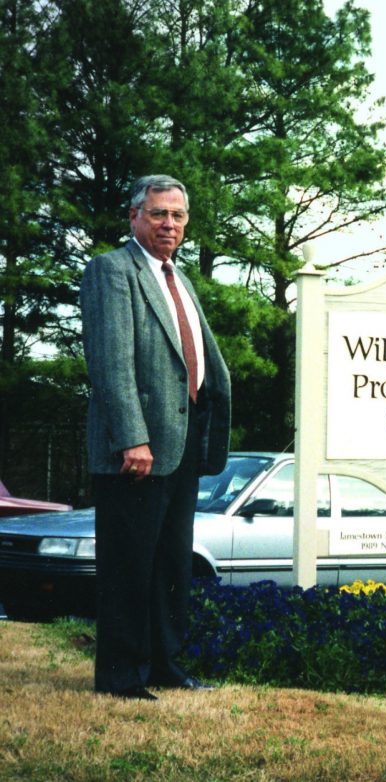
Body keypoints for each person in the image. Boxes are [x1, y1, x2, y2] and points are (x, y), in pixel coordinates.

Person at [81, 175, 232, 700]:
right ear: (133, 217)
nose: (169, 224)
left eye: (178, 216)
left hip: (183, 441)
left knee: (171, 563)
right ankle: (121, 676)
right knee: (129, 564)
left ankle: (166, 667)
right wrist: (131, 439)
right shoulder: (111, 270)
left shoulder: (180, 278)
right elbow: (111, 364)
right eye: (158, 214)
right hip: (137, 449)